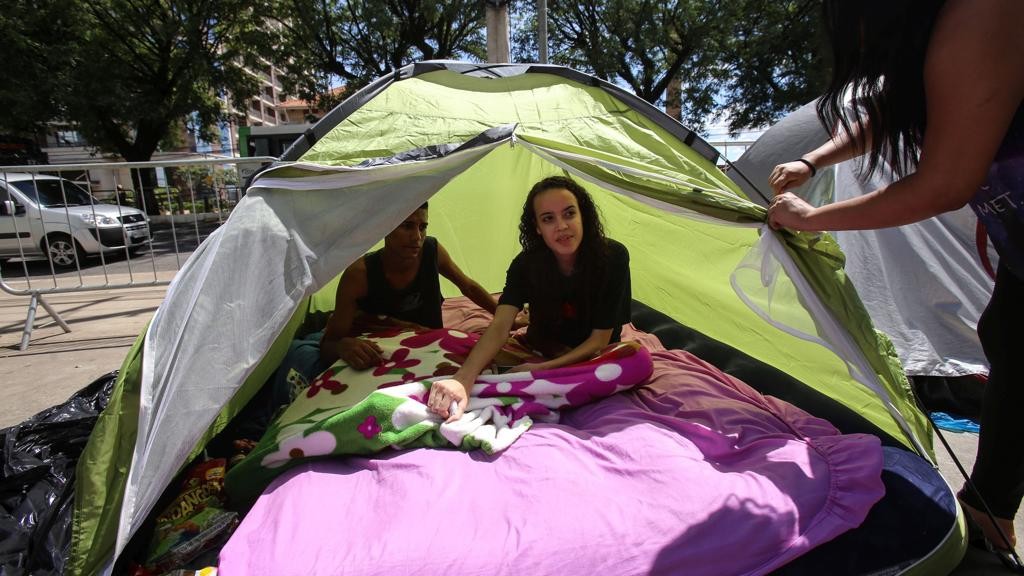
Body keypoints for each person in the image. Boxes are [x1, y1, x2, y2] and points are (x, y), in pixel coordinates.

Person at [766, 0, 1024, 552]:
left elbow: (945, 183)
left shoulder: (982, 15)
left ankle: (989, 512)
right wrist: (814, 162)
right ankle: (990, 512)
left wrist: (814, 219)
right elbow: (895, 108)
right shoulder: (936, 42)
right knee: (1008, 335)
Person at [427, 175, 631, 422]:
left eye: (569, 214)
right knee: (457, 347)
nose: (562, 226)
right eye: (548, 219)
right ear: (537, 227)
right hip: (543, 345)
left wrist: (540, 369)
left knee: (638, 359)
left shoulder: (613, 257)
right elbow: (501, 326)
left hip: (593, 356)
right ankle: (532, 386)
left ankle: (543, 382)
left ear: (583, 216)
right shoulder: (526, 265)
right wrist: (462, 379)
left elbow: (599, 340)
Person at [319, 202, 499, 370]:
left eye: (423, 227)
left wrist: (504, 316)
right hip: (382, 356)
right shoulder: (359, 275)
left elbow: (468, 287)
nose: (417, 237)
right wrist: (342, 346)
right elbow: (329, 345)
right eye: (407, 226)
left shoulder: (431, 251)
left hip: (431, 347)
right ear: (385, 228)